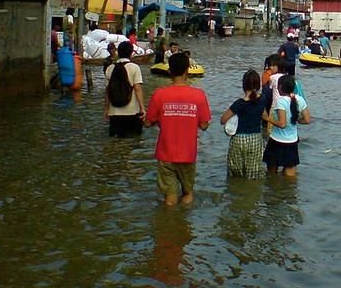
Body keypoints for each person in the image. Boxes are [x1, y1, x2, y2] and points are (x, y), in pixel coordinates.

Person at [144, 52, 211, 205]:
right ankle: (183, 224)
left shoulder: (159, 94)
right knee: (187, 193)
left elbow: (149, 122)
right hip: (188, 153)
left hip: (166, 153)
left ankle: (169, 224)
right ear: (187, 71)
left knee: (169, 197)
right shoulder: (198, 95)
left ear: (169, 72)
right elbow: (204, 125)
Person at [220, 69, 267, 180]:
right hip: (256, 139)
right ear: (258, 84)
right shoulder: (262, 99)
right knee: (254, 173)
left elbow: (223, 120)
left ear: (243, 85)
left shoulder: (239, 103)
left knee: (236, 175)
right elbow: (264, 114)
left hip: (239, 140)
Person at [263, 74, 311, 177]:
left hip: (276, 141)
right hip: (292, 142)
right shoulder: (300, 100)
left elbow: (282, 124)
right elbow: (307, 120)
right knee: (290, 178)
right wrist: (296, 120)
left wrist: (267, 119)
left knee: (271, 175)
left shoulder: (281, 102)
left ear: (280, 87)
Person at [104, 41, 146, 138]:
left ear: (118, 52)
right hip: (132, 112)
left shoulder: (110, 68)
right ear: (131, 53)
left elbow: (107, 91)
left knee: (115, 142)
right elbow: (137, 88)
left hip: (114, 113)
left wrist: (106, 109)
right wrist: (142, 108)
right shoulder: (135, 68)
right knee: (133, 142)